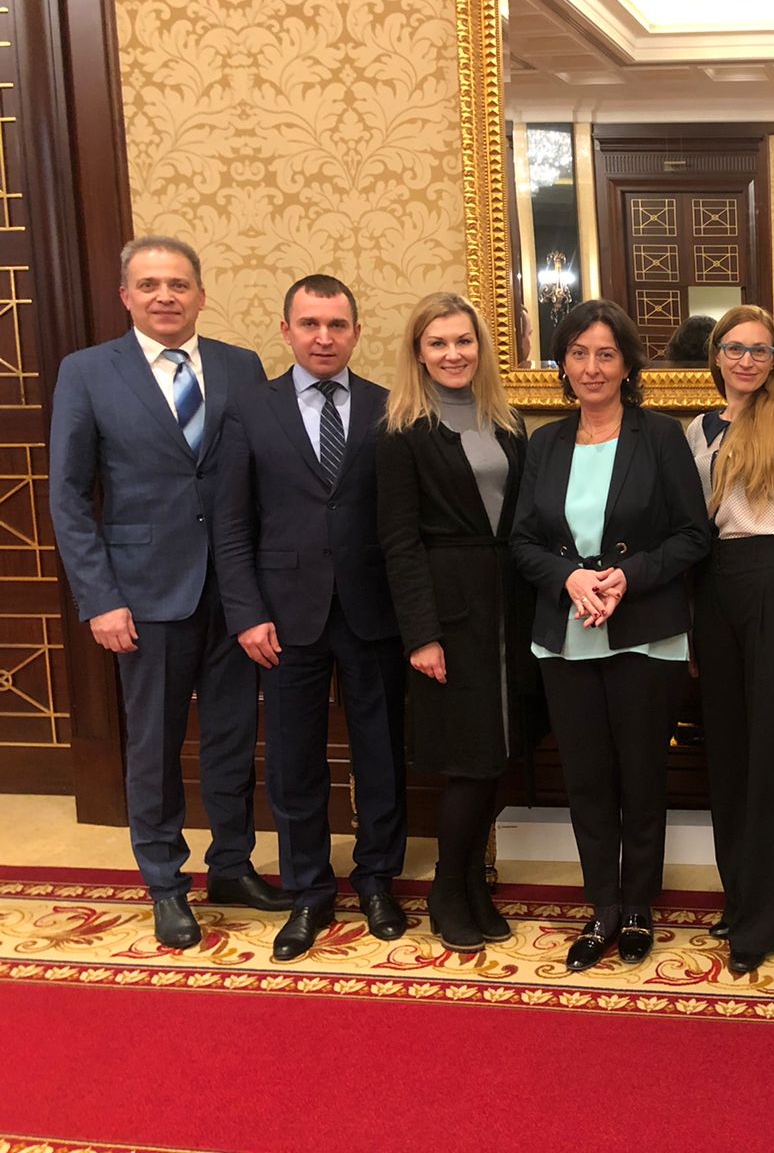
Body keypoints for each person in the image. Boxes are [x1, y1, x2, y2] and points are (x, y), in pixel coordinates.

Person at [48, 236, 290, 948]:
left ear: (201, 295)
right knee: (154, 747)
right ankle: (164, 883)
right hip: (142, 596)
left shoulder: (241, 366)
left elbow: (258, 479)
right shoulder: (88, 372)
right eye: (150, 284)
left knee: (232, 738)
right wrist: (99, 597)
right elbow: (69, 495)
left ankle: (232, 865)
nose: (165, 296)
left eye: (179, 284)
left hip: (234, 594)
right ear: (126, 296)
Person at [510, 298, 711, 972]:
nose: (591, 367)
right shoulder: (544, 443)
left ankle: (638, 907)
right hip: (565, 638)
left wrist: (628, 576)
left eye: (606, 354)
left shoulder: (661, 437)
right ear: (562, 365)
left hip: (646, 634)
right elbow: (523, 542)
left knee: (642, 776)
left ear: (627, 365)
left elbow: (693, 535)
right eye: (579, 354)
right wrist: (569, 577)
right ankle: (602, 907)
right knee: (588, 780)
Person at [212, 274, 408, 962]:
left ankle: (377, 880)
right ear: (287, 330)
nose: (324, 337)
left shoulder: (389, 406)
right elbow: (232, 523)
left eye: (337, 325)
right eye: (310, 324)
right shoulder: (249, 408)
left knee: (381, 755)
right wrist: (246, 614)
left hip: (372, 612)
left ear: (356, 331)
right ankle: (308, 890)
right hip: (282, 619)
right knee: (294, 762)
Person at [377, 292, 536, 953]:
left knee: (500, 756)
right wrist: (422, 634)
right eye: (438, 343)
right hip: (448, 612)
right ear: (418, 352)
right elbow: (398, 542)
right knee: (470, 761)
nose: (452, 354)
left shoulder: (508, 421)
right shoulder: (401, 431)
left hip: (511, 608)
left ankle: (472, 883)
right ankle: (448, 888)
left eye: (463, 341)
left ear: (480, 347)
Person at [686, 305, 774, 976]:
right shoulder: (696, 429)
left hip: (771, 583)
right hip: (714, 589)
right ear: (716, 356)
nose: (747, 360)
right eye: (735, 348)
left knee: (768, 758)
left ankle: (762, 921)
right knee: (728, 755)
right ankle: (738, 897)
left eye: (760, 350)